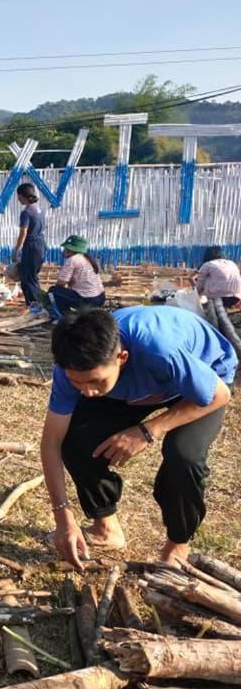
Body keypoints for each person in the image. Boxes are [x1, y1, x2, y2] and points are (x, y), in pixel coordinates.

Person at [40, 307, 236, 569]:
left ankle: (178, 544)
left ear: (121, 357)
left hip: (203, 381)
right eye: (78, 384)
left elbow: (219, 396)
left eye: (95, 381)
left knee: (184, 456)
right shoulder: (70, 370)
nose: (86, 392)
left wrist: (147, 430)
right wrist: (62, 516)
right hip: (142, 386)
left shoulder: (160, 350)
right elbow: (52, 441)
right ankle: (106, 527)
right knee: (77, 441)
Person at [45, 235, 105, 317]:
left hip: (89, 300)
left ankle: (63, 316)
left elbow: (61, 283)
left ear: (70, 250)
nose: (63, 251)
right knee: (64, 292)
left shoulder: (72, 260)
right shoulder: (86, 258)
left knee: (52, 292)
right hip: (100, 298)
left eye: (65, 249)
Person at [14, 183, 46, 308]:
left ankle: (34, 306)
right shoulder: (39, 209)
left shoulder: (26, 212)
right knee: (32, 276)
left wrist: (16, 250)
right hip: (41, 244)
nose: (18, 199)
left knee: (28, 278)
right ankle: (37, 303)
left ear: (22, 196)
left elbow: (23, 233)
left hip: (32, 245)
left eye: (18, 196)